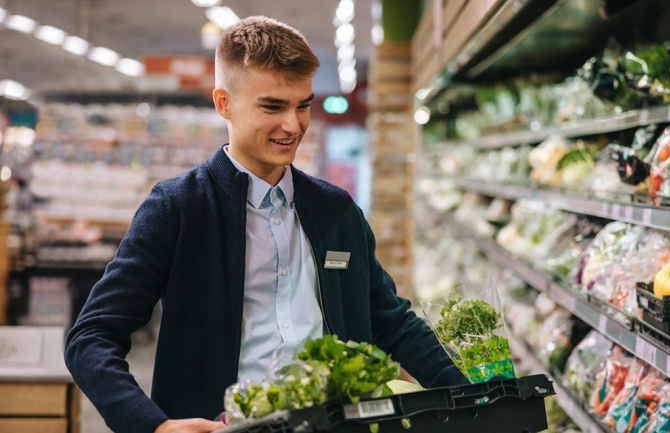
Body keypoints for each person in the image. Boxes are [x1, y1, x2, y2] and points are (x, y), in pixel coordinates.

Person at [65, 15, 466, 433]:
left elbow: (392, 322)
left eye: (303, 105)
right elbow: (92, 337)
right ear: (224, 104)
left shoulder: (336, 211)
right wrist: (154, 426)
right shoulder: (178, 208)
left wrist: (481, 399)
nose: (293, 125)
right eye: (273, 106)